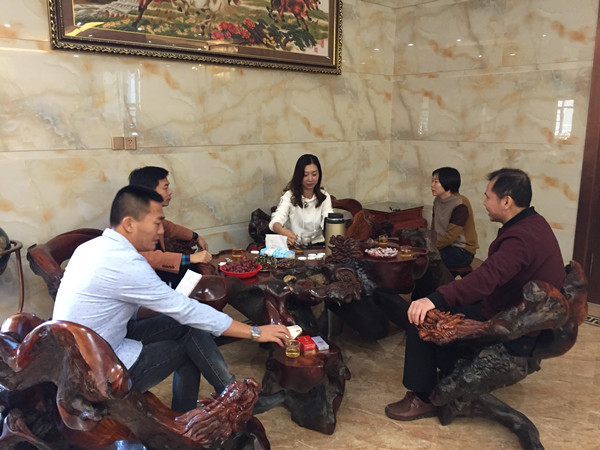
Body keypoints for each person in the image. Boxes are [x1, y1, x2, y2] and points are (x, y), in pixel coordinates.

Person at [53, 185, 290, 413]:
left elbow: (128, 310)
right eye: (157, 223)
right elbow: (186, 311)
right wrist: (256, 332)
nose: (161, 231)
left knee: (188, 327)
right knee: (189, 345)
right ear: (129, 224)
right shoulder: (126, 263)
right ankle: (201, 414)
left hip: (82, 355)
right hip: (98, 374)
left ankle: (217, 402)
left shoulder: (92, 248)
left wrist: (170, 303)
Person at [385, 168, 565, 421]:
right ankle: (445, 377)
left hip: (511, 323)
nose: (484, 202)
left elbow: (488, 277)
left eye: (488, 196)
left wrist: (434, 299)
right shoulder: (533, 223)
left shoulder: (521, 238)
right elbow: (493, 276)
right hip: (512, 310)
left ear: (506, 201)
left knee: (422, 320)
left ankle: (422, 398)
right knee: (444, 303)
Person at [129, 166, 211, 286]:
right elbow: (141, 257)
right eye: (165, 187)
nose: (170, 191)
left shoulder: (148, 213)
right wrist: (190, 258)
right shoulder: (129, 220)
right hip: (141, 282)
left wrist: (196, 236)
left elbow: (169, 228)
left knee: (197, 273)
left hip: (158, 274)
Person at [269, 154, 333, 246]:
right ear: (298, 175)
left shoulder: (324, 196)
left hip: (318, 245)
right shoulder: (290, 196)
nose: (310, 179)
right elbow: (276, 220)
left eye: (314, 174)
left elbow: (329, 222)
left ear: (319, 174)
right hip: (294, 246)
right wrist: (282, 231)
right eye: (305, 175)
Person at [430, 167, 479, 269]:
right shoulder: (437, 200)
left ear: (448, 182)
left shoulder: (460, 204)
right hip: (443, 246)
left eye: (436, 182)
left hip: (461, 250)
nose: (432, 185)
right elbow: (433, 226)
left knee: (427, 259)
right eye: (432, 181)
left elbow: (450, 236)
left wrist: (431, 247)